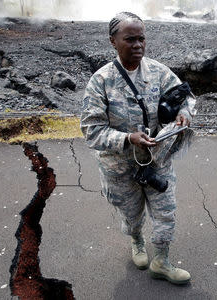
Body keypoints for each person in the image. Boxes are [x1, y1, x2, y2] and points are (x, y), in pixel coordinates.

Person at [80, 12, 196, 285]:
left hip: (157, 161)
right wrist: (127, 138)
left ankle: (162, 261)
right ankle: (136, 241)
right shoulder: (101, 81)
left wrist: (184, 115)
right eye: (129, 39)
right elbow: (91, 130)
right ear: (113, 41)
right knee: (132, 216)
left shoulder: (158, 71)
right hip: (120, 168)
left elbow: (186, 96)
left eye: (141, 38)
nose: (137, 45)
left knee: (166, 213)